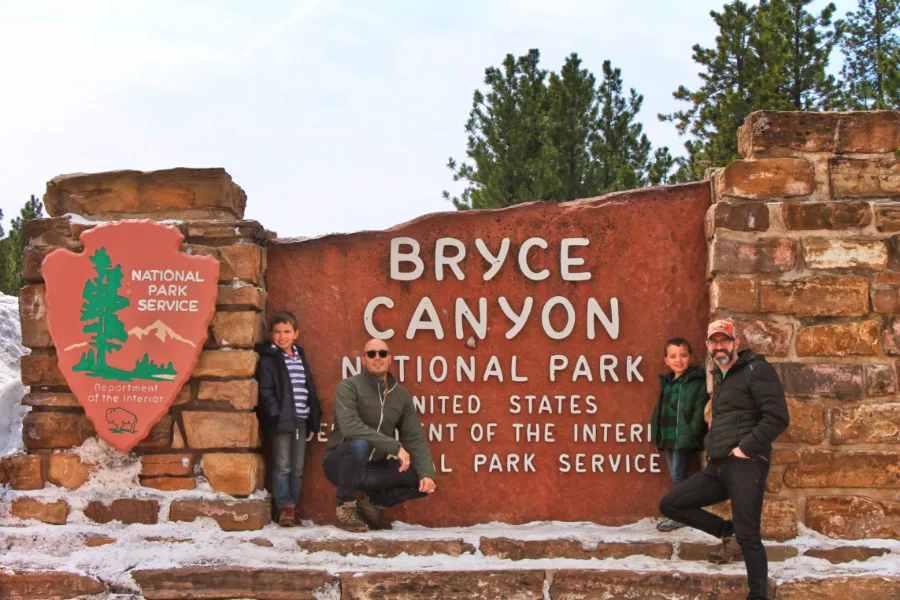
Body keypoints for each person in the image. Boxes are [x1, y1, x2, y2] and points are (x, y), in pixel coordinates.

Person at [659, 319, 789, 600]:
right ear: (708, 346)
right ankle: (728, 533)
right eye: (714, 342)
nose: (720, 346)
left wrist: (745, 449)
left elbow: (777, 417)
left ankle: (757, 595)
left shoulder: (757, 370)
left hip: (745, 464)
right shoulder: (721, 376)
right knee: (672, 503)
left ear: (735, 344)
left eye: (724, 341)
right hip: (717, 466)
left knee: (750, 537)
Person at [323, 338, 437, 532]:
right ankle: (345, 507)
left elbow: (414, 438)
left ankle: (372, 505)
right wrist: (394, 447)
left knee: (419, 477)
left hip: (372, 469)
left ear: (390, 359)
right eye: (371, 354)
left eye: (382, 353)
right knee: (360, 444)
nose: (377, 358)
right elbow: (350, 427)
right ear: (363, 359)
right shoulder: (349, 386)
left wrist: (427, 473)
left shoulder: (400, 395)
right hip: (341, 465)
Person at [256, 311, 323, 527]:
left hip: (300, 421)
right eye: (277, 332)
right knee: (282, 466)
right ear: (271, 334)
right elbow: (266, 391)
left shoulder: (299, 356)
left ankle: (292, 507)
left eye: (287, 332)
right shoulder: (269, 360)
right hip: (281, 421)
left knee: (297, 468)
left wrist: (313, 414)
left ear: (296, 334)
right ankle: (284, 506)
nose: (282, 336)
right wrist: (275, 415)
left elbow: (308, 387)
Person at [650, 338, 709, 532]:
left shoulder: (696, 383)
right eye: (673, 356)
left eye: (683, 355)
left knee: (678, 475)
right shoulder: (667, 382)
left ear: (691, 357)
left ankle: (679, 514)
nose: (679, 360)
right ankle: (681, 512)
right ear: (666, 360)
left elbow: (699, 410)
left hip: (684, 438)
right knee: (675, 475)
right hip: (667, 437)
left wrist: (692, 432)